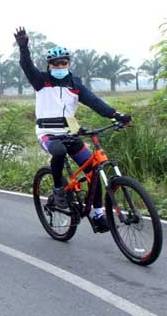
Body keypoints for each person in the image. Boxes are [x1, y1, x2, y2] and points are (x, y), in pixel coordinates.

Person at [14, 26, 132, 232]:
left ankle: (97, 215)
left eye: (64, 62)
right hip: (47, 133)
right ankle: (59, 189)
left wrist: (116, 115)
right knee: (58, 151)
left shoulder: (75, 83)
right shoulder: (41, 81)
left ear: (69, 64)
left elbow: (94, 102)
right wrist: (24, 48)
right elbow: (26, 66)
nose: (60, 66)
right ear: (49, 66)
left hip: (70, 131)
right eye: (56, 63)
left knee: (93, 171)